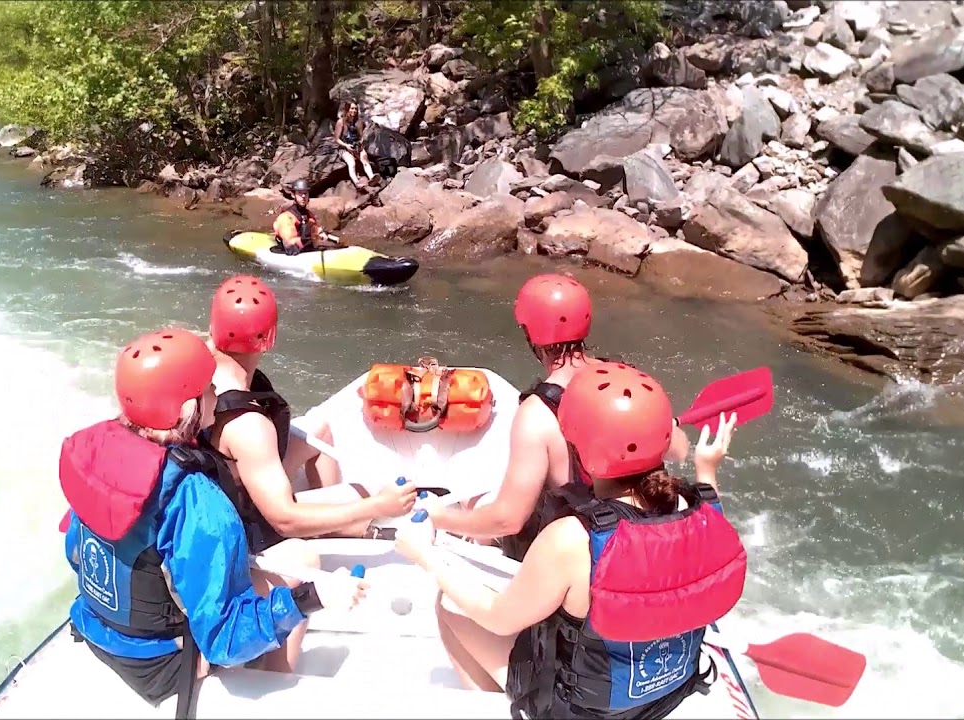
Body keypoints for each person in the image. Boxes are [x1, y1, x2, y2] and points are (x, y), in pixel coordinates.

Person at [396, 363, 746, 719]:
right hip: (667, 695)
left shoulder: (573, 538)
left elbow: (498, 619)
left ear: (583, 452)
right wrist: (707, 467)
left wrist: (426, 557)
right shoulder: (698, 508)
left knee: (451, 607)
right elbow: (709, 502)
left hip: (585, 711)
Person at [58, 327, 367, 717]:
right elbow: (226, 639)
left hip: (95, 628)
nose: (217, 396)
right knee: (304, 564)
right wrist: (315, 597)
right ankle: (278, 688)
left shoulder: (93, 451)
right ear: (187, 408)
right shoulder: (197, 501)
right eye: (208, 390)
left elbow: (76, 549)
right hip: (164, 667)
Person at [198, 275, 419, 661]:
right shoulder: (250, 426)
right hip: (249, 535)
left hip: (232, 489)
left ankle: (328, 529)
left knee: (318, 436)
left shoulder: (199, 365)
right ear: (270, 337)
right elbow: (283, 520)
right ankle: (280, 670)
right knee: (310, 548)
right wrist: (377, 506)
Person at [420, 273, 691, 561]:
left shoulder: (537, 414)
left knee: (477, 512)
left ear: (530, 334)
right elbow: (680, 449)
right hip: (633, 542)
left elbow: (509, 519)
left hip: (569, 557)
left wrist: (439, 519)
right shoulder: (627, 384)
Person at [272, 179, 341, 256]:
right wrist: (315, 240)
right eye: (300, 193)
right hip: (291, 253)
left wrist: (330, 239)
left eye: (305, 193)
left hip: (305, 249)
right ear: (293, 194)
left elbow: (317, 232)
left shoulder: (309, 215)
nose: (303, 196)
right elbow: (291, 246)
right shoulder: (286, 218)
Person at [333, 101, 377, 189]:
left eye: (356, 109)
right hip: (344, 147)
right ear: (347, 109)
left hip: (356, 146)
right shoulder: (341, 122)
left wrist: (360, 143)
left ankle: (372, 177)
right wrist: (346, 146)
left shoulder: (359, 122)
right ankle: (356, 182)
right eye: (352, 108)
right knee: (351, 163)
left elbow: (361, 137)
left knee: (365, 160)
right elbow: (337, 139)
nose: (354, 111)